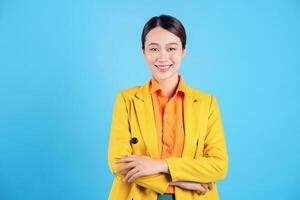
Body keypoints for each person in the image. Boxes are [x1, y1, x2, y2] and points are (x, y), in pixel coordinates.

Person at [107, 14, 228, 200]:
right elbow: (119, 165)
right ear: (143, 51)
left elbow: (218, 166)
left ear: (184, 51)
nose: (163, 57)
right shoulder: (127, 100)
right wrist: (182, 181)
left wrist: (161, 165)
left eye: (172, 48)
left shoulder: (207, 104)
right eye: (154, 48)